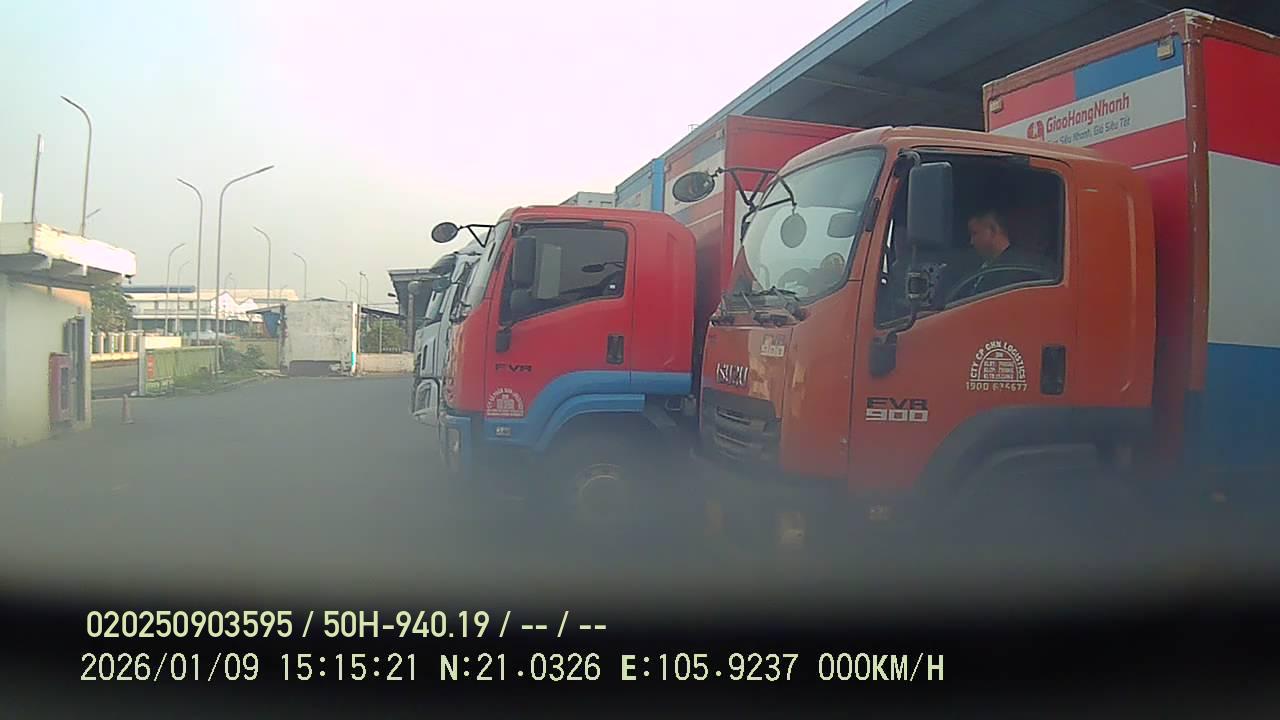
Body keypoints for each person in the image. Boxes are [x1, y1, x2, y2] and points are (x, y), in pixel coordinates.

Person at [964, 208, 1052, 295]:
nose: (972, 241)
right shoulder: (983, 265)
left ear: (993, 230)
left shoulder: (1018, 269)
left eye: (975, 233)